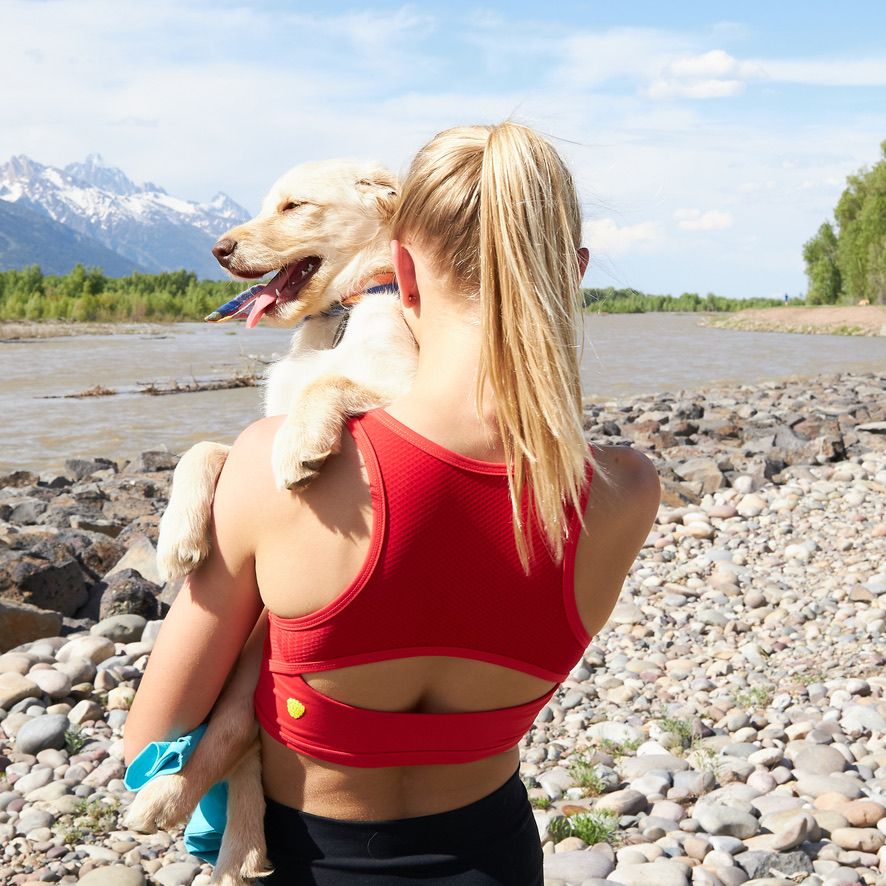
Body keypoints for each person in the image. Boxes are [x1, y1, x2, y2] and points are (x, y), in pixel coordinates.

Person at [124, 122, 660, 884]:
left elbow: (152, 743)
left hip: (307, 864)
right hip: (497, 858)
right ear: (571, 273)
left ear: (399, 272)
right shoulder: (627, 491)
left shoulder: (267, 463)